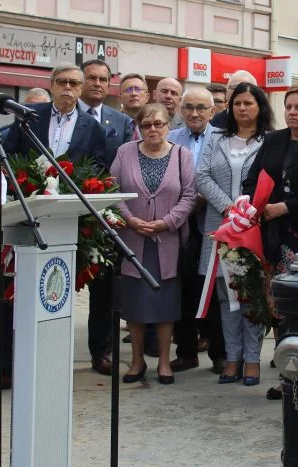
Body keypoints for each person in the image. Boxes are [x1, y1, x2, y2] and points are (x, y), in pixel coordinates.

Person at [2, 63, 109, 375]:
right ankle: (4, 365)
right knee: (12, 290)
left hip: (68, 221)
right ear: (51, 85)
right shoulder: (29, 118)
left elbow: (98, 169)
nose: (67, 89)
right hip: (27, 216)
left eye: (74, 83)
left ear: (82, 88)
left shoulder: (93, 128)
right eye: (61, 82)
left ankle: (55, 359)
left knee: (59, 286)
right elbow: (9, 157)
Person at [242, 83, 298, 399]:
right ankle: (286, 371)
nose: (292, 112)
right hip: (272, 234)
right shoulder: (274, 140)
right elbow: (252, 178)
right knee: (278, 305)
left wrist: (285, 206)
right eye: (288, 107)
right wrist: (256, 203)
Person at [110, 103, 197, 384]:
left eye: (158, 124)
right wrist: (131, 220)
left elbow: (189, 196)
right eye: (147, 124)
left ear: (168, 126)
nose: (153, 129)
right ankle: (136, 362)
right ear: (139, 127)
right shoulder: (125, 152)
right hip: (133, 239)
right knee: (134, 304)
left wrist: (167, 222)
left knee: (165, 304)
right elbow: (112, 189)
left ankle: (163, 361)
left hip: (167, 241)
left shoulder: (181, 154)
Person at [197, 83, 275, 385]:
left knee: (250, 295)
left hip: (253, 228)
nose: (242, 108)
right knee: (225, 298)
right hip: (220, 228)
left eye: (248, 103)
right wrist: (229, 208)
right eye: (237, 103)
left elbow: (271, 179)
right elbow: (201, 176)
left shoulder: (270, 139)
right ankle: (232, 358)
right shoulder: (216, 138)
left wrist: (249, 211)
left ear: (260, 107)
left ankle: (253, 360)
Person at [77, 59, 133, 375]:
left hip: (105, 214)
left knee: (104, 290)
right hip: (66, 208)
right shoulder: (66, 117)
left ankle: (102, 352)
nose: (97, 83)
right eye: (91, 78)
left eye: (103, 79)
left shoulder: (121, 122)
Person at [168, 88, 226, 375]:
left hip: (212, 221)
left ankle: (219, 354)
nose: (194, 113)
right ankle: (186, 351)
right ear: (180, 109)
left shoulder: (222, 139)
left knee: (213, 290)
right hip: (179, 223)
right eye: (189, 107)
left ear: (212, 111)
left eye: (201, 108)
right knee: (184, 289)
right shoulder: (170, 138)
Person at [119, 72, 150, 138]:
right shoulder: (112, 124)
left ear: (147, 97)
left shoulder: (155, 125)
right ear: (120, 98)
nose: (133, 93)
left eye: (138, 89)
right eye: (128, 90)